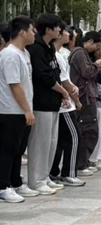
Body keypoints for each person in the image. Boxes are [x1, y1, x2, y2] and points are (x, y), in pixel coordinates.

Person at [27, 14, 72, 194]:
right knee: (40, 143)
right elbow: (43, 76)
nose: (60, 30)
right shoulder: (36, 49)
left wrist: (62, 95)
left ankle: (44, 176)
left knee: (51, 142)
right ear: (48, 29)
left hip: (53, 102)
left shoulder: (49, 47)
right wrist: (63, 91)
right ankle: (36, 180)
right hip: (41, 102)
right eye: (57, 27)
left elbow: (55, 73)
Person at [0, 17, 39, 203]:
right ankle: (2, 186)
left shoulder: (25, 53)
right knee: (8, 149)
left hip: (22, 110)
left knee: (18, 149)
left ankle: (15, 182)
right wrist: (27, 110)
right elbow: (14, 85)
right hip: (10, 111)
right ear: (22, 32)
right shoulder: (10, 55)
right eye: (32, 30)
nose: (34, 33)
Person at [50, 26, 85, 186]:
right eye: (63, 31)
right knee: (73, 137)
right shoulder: (56, 55)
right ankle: (68, 173)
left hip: (64, 102)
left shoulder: (60, 54)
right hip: (64, 106)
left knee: (60, 140)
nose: (68, 34)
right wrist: (76, 100)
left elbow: (67, 80)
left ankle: (53, 172)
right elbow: (64, 82)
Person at [70, 31, 101, 177]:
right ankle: (81, 163)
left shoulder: (81, 52)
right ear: (91, 41)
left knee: (90, 130)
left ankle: (84, 161)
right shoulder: (79, 52)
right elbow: (86, 72)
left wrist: (96, 67)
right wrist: (97, 65)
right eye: (96, 46)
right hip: (84, 96)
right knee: (88, 130)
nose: (97, 49)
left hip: (87, 95)